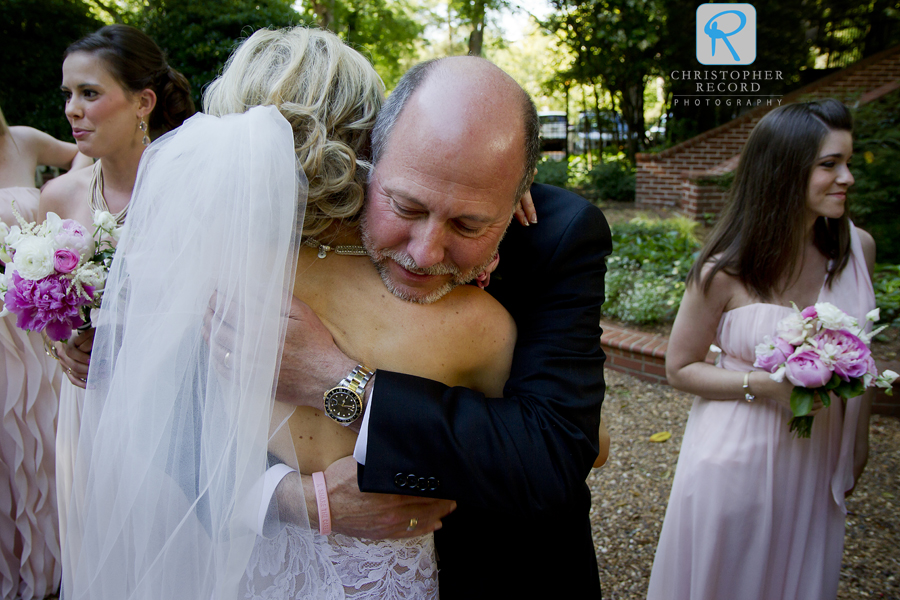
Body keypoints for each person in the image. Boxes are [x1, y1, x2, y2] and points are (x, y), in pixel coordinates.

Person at [62, 27, 550, 600]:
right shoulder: (469, 322)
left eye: (466, 221)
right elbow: (574, 444)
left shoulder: (197, 281)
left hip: (245, 568)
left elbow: (159, 434)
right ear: (370, 143)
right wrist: (484, 205)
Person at [275, 56, 612, 597]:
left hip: (504, 570)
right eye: (406, 206)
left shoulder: (559, 237)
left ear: (519, 196)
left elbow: (560, 451)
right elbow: (176, 443)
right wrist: (293, 499)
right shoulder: (296, 220)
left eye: (470, 224)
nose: (425, 252)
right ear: (369, 159)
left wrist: (340, 381)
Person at [647, 98, 875, 600]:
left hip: (817, 457)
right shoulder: (724, 270)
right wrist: (765, 386)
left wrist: (858, 444)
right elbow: (679, 367)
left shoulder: (858, 249)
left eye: (848, 162)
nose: (847, 179)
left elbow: (865, 352)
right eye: (829, 164)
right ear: (784, 171)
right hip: (736, 458)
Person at [37, 24, 194, 551]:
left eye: (89, 93)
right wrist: (60, 346)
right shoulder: (57, 196)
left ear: (142, 102)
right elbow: (41, 307)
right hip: (88, 410)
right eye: (68, 95)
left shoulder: (190, 193)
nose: (72, 111)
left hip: (171, 413)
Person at [0, 104, 91, 600]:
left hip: (35, 323)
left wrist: (54, 232)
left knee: (45, 442)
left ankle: (56, 568)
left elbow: (86, 154)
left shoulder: (22, 140)